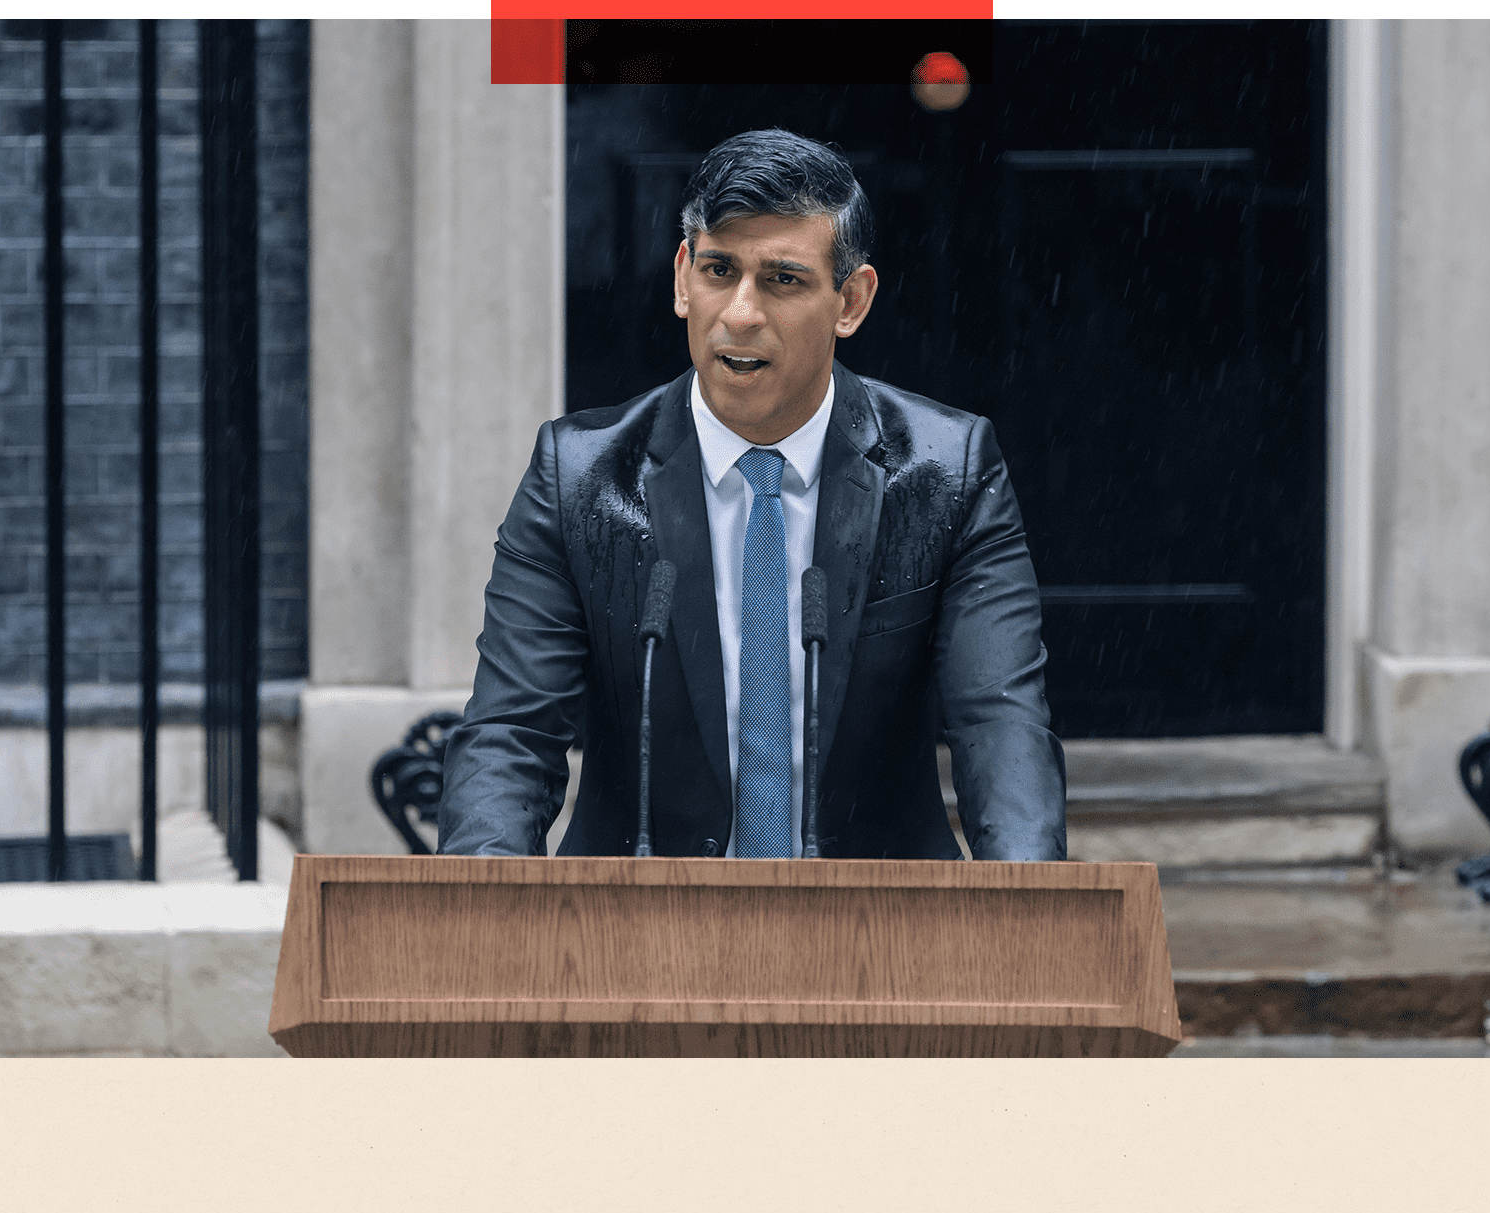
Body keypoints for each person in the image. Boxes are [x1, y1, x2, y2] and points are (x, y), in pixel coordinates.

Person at [438, 129, 1066, 860]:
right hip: (631, 940)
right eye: (719, 270)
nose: (739, 312)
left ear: (851, 301)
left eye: (783, 279)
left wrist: (1029, 918)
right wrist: (485, 911)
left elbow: (1002, 724)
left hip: (879, 940)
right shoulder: (578, 477)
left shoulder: (947, 472)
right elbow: (513, 731)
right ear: (682, 278)